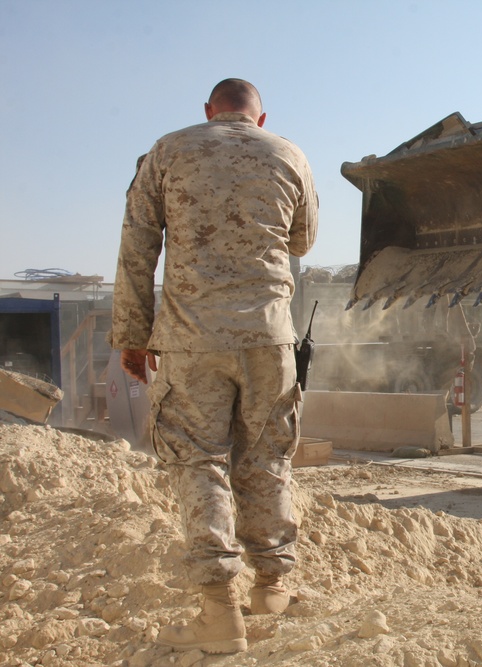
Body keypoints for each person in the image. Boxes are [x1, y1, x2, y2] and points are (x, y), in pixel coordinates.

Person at [110, 78, 319, 654]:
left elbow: (137, 247)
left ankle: (219, 612)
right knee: (267, 456)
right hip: (269, 340)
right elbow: (302, 242)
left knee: (199, 462)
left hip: (191, 339)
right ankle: (272, 586)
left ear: (209, 112)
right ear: (260, 116)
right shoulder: (290, 154)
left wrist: (132, 335)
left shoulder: (168, 151)